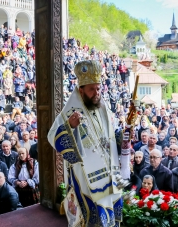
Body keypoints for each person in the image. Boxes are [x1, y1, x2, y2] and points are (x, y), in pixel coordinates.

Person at [47, 60, 123, 226]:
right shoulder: (69, 111)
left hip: (109, 173)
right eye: (91, 89)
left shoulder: (104, 108)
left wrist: (123, 135)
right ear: (81, 91)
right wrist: (69, 127)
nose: (96, 93)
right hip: (86, 176)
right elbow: (52, 136)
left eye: (98, 88)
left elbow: (113, 135)